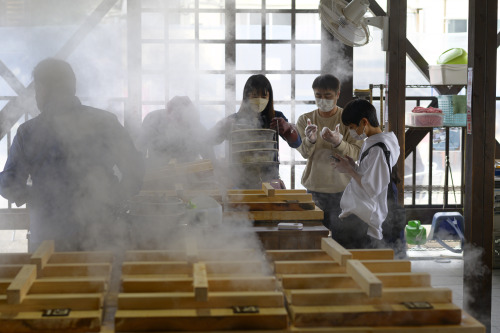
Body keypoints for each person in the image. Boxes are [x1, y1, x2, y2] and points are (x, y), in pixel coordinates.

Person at [0, 58, 145, 252]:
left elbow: (8, 185)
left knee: (48, 283)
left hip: (48, 238)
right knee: (104, 281)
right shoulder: (106, 122)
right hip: (103, 232)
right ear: (73, 87)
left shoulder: (28, 132)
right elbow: (135, 170)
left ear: (42, 89)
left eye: (36, 90)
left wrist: (41, 196)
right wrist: (112, 197)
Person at [296, 74, 362, 235]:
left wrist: (338, 143)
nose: (322, 100)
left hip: (343, 190)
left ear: (337, 95)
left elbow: (357, 153)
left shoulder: (348, 119)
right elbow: (304, 153)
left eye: (328, 96)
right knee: (313, 239)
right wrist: (310, 141)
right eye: (318, 96)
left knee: (341, 239)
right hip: (314, 189)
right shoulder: (305, 119)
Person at [209, 74, 301, 189]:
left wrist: (288, 128)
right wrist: (222, 127)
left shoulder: (276, 118)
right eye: (254, 95)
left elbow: (296, 143)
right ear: (246, 97)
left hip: (270, 181)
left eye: (264, 95)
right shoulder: (234, 120)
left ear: (269, 97)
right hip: (239, 181)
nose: (259, 99)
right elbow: (209, 140)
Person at [332, 98, 400, 249]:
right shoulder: (377, 141)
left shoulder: (378, 149)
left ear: (364, 122)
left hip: (366, 216)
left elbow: (371, 187)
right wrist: (353, 166)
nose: (351, 132)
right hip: (361, 211)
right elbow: (371, 175)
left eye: (352, 127)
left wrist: (350, 170)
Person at [138, 96, 213, 169]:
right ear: (169, 113)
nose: (183, 125)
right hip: (157, 171)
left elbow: (210, 157)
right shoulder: (152, 120)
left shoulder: (195, 125)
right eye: (178, 119)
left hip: (188, 173)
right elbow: (140, 150)